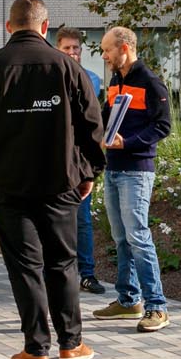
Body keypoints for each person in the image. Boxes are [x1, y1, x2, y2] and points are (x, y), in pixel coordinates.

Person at [0, 0, 106, 359]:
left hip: (6, 184)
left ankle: (36, 348)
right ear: (45, 27)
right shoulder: (67, 66)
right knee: (63, 262)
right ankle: (71, 345)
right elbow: (92, 125)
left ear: (9, 27)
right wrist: (89, 171)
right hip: (60, 181)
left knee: (25, 266)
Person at [93, 26, 174, 333]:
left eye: (107, 50)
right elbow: (105, 117)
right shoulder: (116, 81)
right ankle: (129, 301)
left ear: (124, 47)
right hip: (113, 169)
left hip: (137, 171)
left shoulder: (151, 83)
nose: (104, 55)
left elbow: (163, 127)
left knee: (138, 236)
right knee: (121, 238)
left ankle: (157, 307)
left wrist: (127, 143)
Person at [55, 27, 108, 296]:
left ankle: (87, 274)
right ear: (57, 49)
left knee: (83, 220)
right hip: (55, 159)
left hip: (81, 160)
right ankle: (57, 274)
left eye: (76, 48)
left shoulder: (93, 79)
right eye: (67, 48)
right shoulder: (50, 77)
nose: (73, 53)